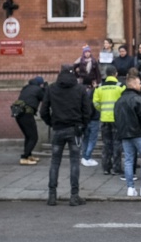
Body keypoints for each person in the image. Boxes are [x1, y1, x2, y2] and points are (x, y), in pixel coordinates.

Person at [40, 65, 90, 206]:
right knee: (74, 162)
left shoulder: (51, 88)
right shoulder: (80, 89)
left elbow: (43, 111)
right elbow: (87, 110)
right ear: (74, 73)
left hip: (58, 129)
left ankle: (52, 195)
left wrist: (51, 123)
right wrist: (83, 125)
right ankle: (74, 196)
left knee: (55, 162)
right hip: (75, 130)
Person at [93, 65, 125, 175]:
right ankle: (116, 168)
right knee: (117, 144)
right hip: (117, 119)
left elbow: (96, 103)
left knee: (106, 144)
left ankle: (106, 167)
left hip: (105, 119)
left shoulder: (100, 87)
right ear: (115, 74)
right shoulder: (120, 86)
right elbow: (124, 102)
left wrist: (102, 109)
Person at [14, 76, 45, 165]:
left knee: (28, 136)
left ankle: (28, 155)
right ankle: (24, 158)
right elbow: (44, 99)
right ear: (40, 84)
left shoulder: (26, 88)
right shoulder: (38, 90)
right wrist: (44, 89)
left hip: (18, 114)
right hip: (27, 114)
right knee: (33, 137)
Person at [80, 79, 100, 167]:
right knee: (92, 139)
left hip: (86, 119)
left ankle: (84, 156)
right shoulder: (96, 93)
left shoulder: (84, 94)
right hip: (94, 119)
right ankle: (87, 157)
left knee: (86, 139)